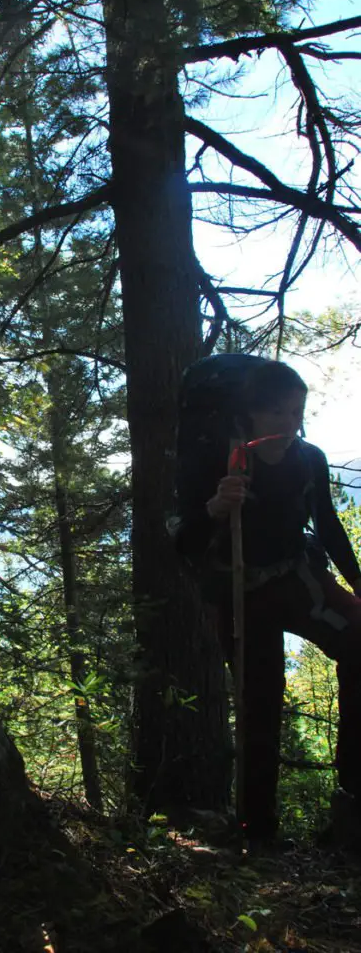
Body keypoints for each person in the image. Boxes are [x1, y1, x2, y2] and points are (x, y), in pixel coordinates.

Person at [175, 359, 361, 844]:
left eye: (297, 412)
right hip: (242, 593)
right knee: (259, 703)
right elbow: (183, 537)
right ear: (250, 415)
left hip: (299, 578)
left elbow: (328, 525)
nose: (291, 424)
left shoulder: (308, 458)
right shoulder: (220, 459)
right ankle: (257, 829)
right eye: (278, 414)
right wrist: (216, 507)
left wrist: (358, 583)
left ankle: (352, 801)